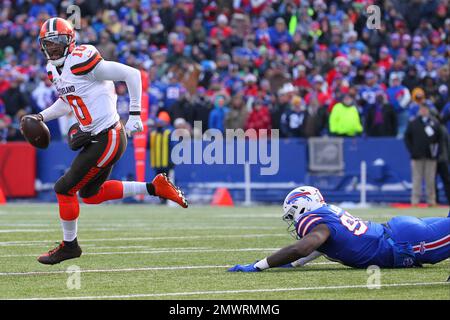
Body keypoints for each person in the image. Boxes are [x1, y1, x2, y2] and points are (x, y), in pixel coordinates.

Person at [21, 17, 188, 265]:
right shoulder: (52, 69)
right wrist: (41, 116)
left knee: (63, 189)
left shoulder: (82, 59)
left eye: (58, 41)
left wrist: (134, 114)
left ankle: (70, 246)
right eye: (49, 43)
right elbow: (69, 100)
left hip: (108, 135)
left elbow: (132, 74)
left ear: (70, 41)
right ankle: (156, 187)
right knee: (90, 195)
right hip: (96, 138)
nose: (54, 47)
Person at [228, 186, 450, 272]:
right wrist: (292, 263)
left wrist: (259, 266)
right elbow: (317, 249)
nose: (293, 221)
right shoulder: (327, 213)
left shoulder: (315, 220)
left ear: (303, 206)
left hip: (404, 243)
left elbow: (304, 247)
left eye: (292, 214)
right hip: (399, 230)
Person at [404, 104, 441, 206]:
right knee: (417, 179)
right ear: (419, 111)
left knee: (430, 179)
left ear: (428, 110)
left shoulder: (434, 122)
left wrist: (436, 152)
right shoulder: (414, 123)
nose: (424, 111)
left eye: (425, 109)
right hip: (417, 156)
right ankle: (415, 201)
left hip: (430, 156)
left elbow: (439, 138)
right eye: (422, 109)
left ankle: (431, 201)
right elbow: (407, 137)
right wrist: (412, 150)